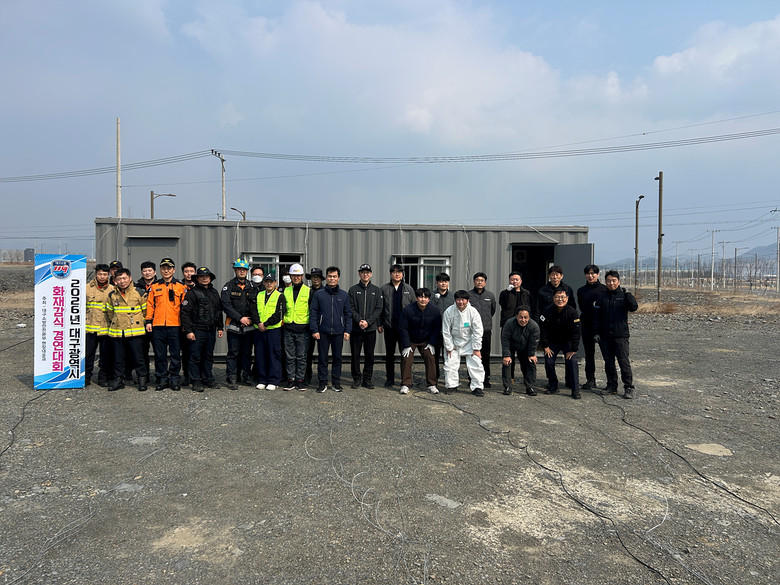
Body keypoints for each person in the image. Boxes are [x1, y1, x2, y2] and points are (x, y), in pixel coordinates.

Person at [593, 270, 639, 399]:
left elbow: (634, 307)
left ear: (618, 282)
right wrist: (596, 332)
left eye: (613, 281)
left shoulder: (624, 296)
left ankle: (628, 387)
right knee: (609, 363)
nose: (611, 283)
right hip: (605, 336)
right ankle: (612, 386)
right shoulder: (602, 297)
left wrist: (628, 294)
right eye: (608, 281)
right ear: (605, 282)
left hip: (620, 336)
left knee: (623, 362)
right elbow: (597, 317)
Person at [145, 258, 187, 391]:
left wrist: (185, 324)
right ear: (160, 270)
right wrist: (148, 321)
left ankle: (174, 379)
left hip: (175, 325)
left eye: (169, 268)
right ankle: (162, 379)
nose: (166, 271)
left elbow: (185, 308)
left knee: (175, 355)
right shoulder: (154, 286)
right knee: (160, 354)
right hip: (158, 325)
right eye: (164, 268)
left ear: (173, 270)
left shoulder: (181, 287)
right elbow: (150, 305)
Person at [104, 268, 149, 391]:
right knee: (118, 358)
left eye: (124, 278)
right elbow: (110, 312)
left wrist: (139, 322)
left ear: (130, 278)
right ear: (115, 280)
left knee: (138, 358)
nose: (122, 281)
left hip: (135, 331)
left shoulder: (139, 293)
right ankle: (118, 380)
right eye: (119, 279)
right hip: (118, 331)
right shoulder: (112, 295)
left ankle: (142, 380)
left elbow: (146, 311)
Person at [180, 267, 224, 392]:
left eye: (207, 276)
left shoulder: (214, 292)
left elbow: (218, 311)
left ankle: (207, 378)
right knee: (195, 356)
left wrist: (220, 327)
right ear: (197, 278)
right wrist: (189, 331)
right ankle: (196, 381)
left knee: (208, 356)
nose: (204, 278)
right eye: (201, 276)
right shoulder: (192, 293)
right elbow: (185, 313)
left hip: (211, 330)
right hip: (197, 330)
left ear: (210, 278)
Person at [309, 266, 352, 392]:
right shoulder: (319, 294)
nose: (332, 279)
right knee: (322, 358)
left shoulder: (344, 295)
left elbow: (348, 314)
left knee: (337, 358)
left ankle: (336, 382)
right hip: (322, 332)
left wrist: (347, 330)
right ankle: (322, 382)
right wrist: (315, 330)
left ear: (338, 278)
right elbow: (313, 313)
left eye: (334, 276)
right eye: (329, 276)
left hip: (338, 332)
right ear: (326, 278)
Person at [221, 258, 259, 390]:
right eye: (239, 269)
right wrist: (240, 318)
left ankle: (246, 376)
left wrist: (251, 319)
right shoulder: (229, 286)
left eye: (244, 269)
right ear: (235, 270)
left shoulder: (253, 286)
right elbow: (226, 305)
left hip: (249, 326)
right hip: (234, 325)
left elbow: (257, 304)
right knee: (233, 353)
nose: (242, 272)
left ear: (247, 271)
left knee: (247, 353)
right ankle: (232, 377)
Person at [397, 288, 441, 395]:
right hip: (410, 339)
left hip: (426, 340)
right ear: (416, 298)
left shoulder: (435, 310)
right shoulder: (408, 309)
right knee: (406, 358)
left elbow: (436, 328)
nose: (423, 299)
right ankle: (406, 384)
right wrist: (406, 345)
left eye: (426, 297)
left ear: (429, 299)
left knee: (431, 358)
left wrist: (431, 343)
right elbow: (403, 328)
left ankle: (431, 384)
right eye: (420, 297)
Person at [441, 290, 485, 396]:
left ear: (468, 300)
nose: (461, 302)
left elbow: (478, 331)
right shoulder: (449, 311)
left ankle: (477, 387)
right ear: (455, 300)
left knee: (476, 364)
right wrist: (449, 347)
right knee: (450, 364)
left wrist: (476, 348)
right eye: (458, 299)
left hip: (469, 342)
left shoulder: (473, 312)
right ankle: (451, 386)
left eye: (463, 300)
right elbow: (446, 331)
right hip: (454, 342)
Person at [540, 290, 582, 399]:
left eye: (563, 297)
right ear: (553, 298)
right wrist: (545, 346)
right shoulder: (547, 311)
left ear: (567, 298)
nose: (560, 299)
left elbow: (576, 332)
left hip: (567, 342)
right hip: (552, 342)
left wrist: (574, 349)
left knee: (572, 362)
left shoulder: (572, 312)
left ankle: (575, 389)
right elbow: (543, 329)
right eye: (557, 297)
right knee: (549, 362)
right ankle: (553, 385)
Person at [379, 265, 415, 387]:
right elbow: (380, 308)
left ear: (403, 274)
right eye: (394, 272)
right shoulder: (384, 289)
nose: (397, 274)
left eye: (399, 272)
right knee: (389, 355)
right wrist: (379, 323)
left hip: (405, 328)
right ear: (390, 274)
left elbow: (414, 308)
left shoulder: (408, 289)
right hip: (389, 327)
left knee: (405, 354)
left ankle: (405, 379)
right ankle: (390, 378)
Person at [348, 264, 383, 389]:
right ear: (359, 274)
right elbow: (350, 308)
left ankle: (367, 379)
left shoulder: (376, 290)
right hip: (356, 329)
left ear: (371, 274)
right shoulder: (353, 290)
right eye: (363, 272)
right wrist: (359, 320)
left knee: (370, 355)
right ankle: (356, 379)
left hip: (370, 329)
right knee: (355, 355)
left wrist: (368, 322)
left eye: (367, 272)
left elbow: (379, 309)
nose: (365, 274)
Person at [250, 273, 286, 391]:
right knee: (260, 355)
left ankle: (273, 380)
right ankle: (262, 379)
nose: (269, 284)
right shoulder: (259, 295)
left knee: (274, 355)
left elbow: (279, 314)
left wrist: (266, 324)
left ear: (275, 283)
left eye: (271, 282)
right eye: (267, 282)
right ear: (263, 283)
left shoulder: (280, 296)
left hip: (273, 330)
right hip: (259, 330)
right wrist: (259, 323)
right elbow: (253, 310)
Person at [577, 264, 607, 390]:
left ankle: (611, 383)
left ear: (598, 274)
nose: (590, 276)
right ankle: (590, 380)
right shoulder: (581, 291)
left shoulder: (604, 289)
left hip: (602, 327)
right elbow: (582, 307)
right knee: (589, 355)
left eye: (593, 273)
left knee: (607, 355)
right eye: (588, 273)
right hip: (587, 326)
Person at [498, 271, 533, 382]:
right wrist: (508, 292)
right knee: (509, 353)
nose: (514, 281)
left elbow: (530, 307)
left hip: (523, 325)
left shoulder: (526, 293)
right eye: (512, 279)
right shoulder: (504, 293)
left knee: (524, 355)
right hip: (509, 326)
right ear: (509, 281)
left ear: (521, 281)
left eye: (517, 279)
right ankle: (510, 378)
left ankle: (526, 378)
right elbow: (502, 304)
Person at [282, 263, 310, 391]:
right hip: (288, 328)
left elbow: (312, 310)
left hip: (303, 329)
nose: (296, 278)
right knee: (290, 356)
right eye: (294, 275)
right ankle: (290, 379)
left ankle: (300, 380)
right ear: (290, 276)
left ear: (302, 276)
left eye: (298, 275)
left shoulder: (308, 291)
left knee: (301, 357)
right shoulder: (285, 291)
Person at [500, 306, 539, 396]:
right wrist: (506, 355)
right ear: (516, 316)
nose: (523, 320)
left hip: (526, 347)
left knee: (531, 362)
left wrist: (531, 354)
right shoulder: (509, 323)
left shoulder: (534, 326)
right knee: (507, 362)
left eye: (526, 317)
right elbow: (505, 340)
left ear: (529, 317)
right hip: (511, 345)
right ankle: (507, 386)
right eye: (521, 317)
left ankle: (530, 386)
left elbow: (534, 342)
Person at [85, 263, 113, 387]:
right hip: (89, 328)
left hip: (106, 328)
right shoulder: (86, 288)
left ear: (108, 275)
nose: (102, 277)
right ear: (96, 274)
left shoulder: (113, 289)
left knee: (105, 355)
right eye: (100, 274)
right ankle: (86, 376)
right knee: (88, 355)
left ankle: (103, 377)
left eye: (105, 274)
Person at [468, 272, 497, 387]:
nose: (479, 282)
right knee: (472, 355)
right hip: (471, 331)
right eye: (477, 280)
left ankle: (485, 379)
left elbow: (492, 310)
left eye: (482, 280)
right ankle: (472, 378)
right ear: (474, 282)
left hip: (486, 330)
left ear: (485, 282)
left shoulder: (490, 295)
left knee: (485, 355)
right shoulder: (468, 295)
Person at [134, 260, 157, 379]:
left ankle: (160, 376)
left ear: (155, 272)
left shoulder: (160, 285)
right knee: (142, 351)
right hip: (141, 324)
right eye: (145, 271)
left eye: (150, 270)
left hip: (157, 323)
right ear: (141, 272)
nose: (147, 273)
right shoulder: (136, 287)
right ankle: (144, 375)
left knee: (159, 351)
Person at [430, 272, 454, 380]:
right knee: (434, 356)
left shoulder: (453, 297)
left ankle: (449, 379)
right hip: (435, 331)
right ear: (437, 283)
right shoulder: (431, 296)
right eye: (441, 281)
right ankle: (434, 379)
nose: (443, 284)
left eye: (445, 281)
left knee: (449, 356)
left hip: (449, 332)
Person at [304, 267, 325, 386]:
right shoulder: (307, 291)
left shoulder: (326, 291)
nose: (315, 279)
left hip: (323, 326)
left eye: (317, 277)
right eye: (313, 277)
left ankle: (322, 378)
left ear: (321, 279)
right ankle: (307, 376)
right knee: (308, 353)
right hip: (309, 326)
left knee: (323, 354)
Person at [179, 261, 198, 387]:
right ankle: (187, 376)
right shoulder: (178, 286)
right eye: (186, 271)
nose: (189, 274)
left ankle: (197, 376)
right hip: (182, 325)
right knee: (185, 353)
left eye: (191, 271)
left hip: (197, 325)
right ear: (183, 273)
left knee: (196, 352)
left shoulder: (199, 286)